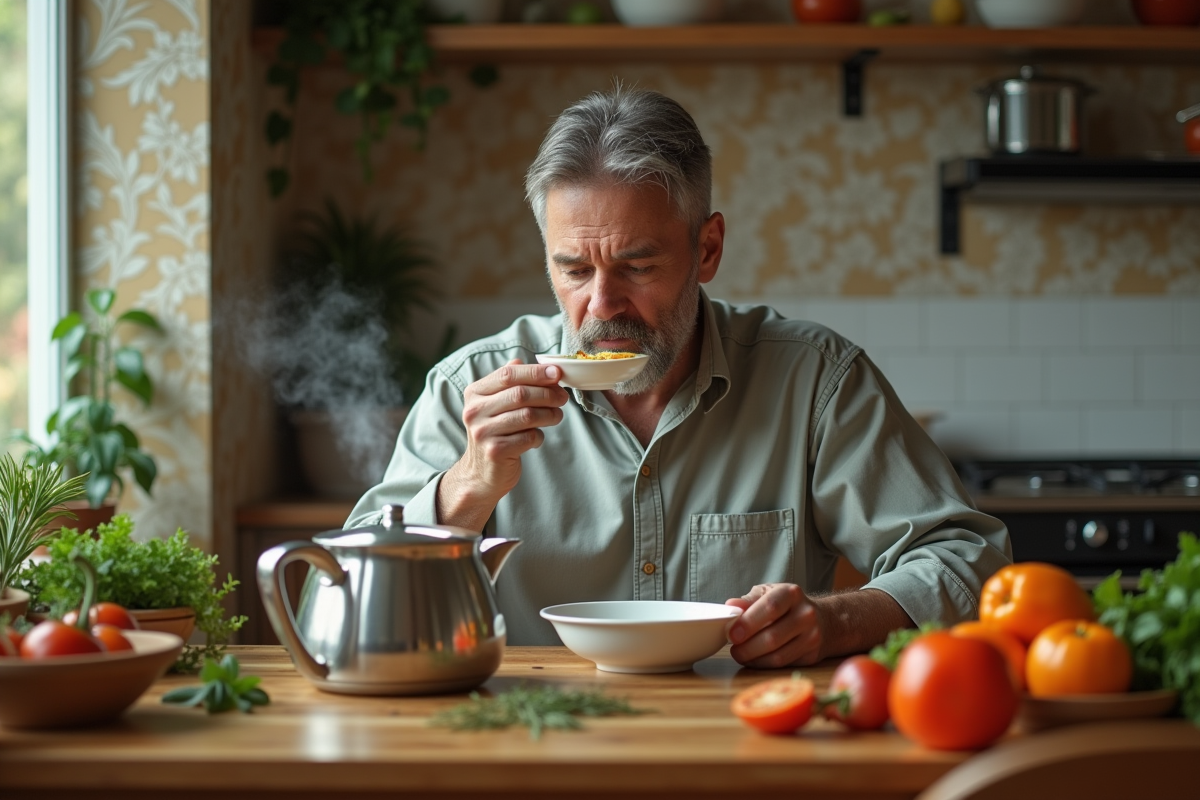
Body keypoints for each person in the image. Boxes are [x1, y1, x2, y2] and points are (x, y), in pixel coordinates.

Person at [348, 87, 1011, 668]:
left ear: (707, 249)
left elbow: (969, 559)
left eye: (637, 266)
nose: (602, 305)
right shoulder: (471, 389)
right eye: (574, 270)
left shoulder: (815, 381)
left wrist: (835, 621)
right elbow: (343, 604)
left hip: (746, 741)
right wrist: (465, 489)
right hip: (533, 740)